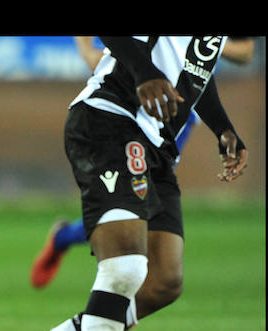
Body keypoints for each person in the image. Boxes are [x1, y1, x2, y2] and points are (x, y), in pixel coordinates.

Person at [0, 36, 248, 331]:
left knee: (164, 282)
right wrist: (144, 71)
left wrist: (223, 128)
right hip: (110, 120)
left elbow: (198, 68)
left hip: (158, 148)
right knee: (125, 267)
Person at [29, 36, 255, 289]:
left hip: (179, 115)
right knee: (131, 206)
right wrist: (88, 53)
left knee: (144, 208)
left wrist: (206, 44)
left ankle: (69, 243)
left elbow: (245, 52)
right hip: (130, 105)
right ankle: (103, 305)